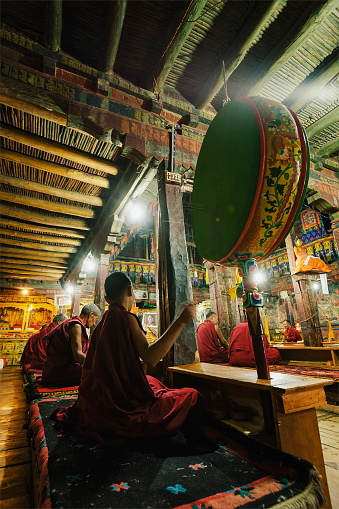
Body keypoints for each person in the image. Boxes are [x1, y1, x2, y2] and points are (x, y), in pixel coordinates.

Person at [51, 272, 202, 445]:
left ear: (107, 299)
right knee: (192, 395)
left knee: (152, 380)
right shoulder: (127, 318)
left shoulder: (101, 324)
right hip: (122, 407)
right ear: (130, 290)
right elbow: (151, 358)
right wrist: (180, 321)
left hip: (99, 399)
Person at [41, 303, 101, 387]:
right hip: (62, 372)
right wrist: (97, 366)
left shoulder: (70, 322)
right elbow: (78, 356)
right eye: (95, 319)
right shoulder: (76, 326)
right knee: (98, 376)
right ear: (90, 315)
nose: (94, 323)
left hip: (52, 369)